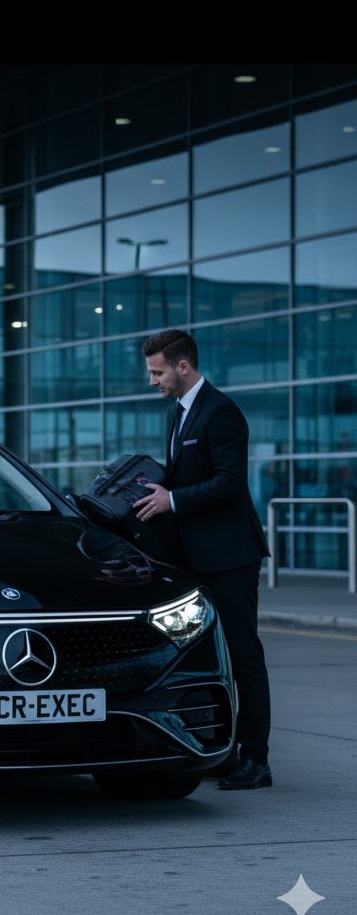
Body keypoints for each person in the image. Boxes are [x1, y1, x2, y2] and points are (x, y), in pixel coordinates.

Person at [132, 329, 272, 790]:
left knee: (242, 654)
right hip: (194, 557)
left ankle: (256, 758)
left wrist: (173, 500)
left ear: (183, 367)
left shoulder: (221, 412)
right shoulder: (179, 414)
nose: (152, 380)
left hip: (230, 556)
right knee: (212, 659)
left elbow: (231, 483)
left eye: (157, 372)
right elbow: (182, 477)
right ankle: (226, 750)